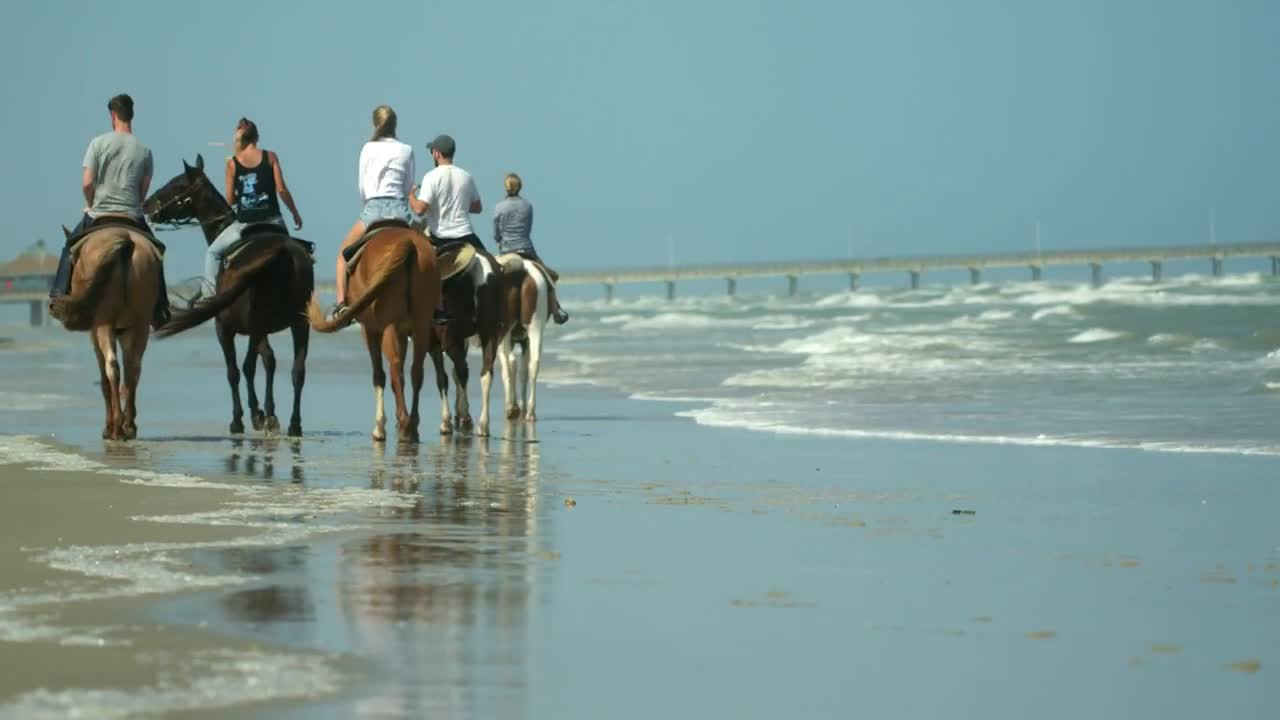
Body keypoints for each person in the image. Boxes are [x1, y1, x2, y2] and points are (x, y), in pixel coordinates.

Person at [51, 93, 169, 328]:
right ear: (131, 116)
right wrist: (136, 204)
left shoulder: (98, 143)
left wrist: (92, 203)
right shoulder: (145, 151)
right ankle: (160, 308)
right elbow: (143, 190)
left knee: (69, 246)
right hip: (132, 214)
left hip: (100, 213)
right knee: (156, 254)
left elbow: (87, 183)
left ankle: (58, 295)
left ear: (112, 116)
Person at [192, 118, 303, 304]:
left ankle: (209, 297)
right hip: (273, 221)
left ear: (240, 139)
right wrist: (294, 213)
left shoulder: (232, 164)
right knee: (293, 255)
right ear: (257, 137)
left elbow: (230, 199)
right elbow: (281, 189)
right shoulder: (271, 157)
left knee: (213, 253)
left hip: (245, 225)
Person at [330, 105, 416, 317]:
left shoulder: (367, 148)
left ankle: (341, 305)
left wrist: (369, 204)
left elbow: (362, 187)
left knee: (342, 255)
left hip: (373, 208)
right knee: (428, 253)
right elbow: (408, 186)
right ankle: (436, 306)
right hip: (400, 211)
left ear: (375, 124)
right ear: (395, 124)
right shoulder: (407, 149)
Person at [492, 173, 569, 324]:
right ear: (520, 187)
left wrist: (500, 239)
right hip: (527, 250)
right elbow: (528, 228)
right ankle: (556, 309)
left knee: (489, 279)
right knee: (549, 276)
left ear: (505, 187)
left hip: (506, 251)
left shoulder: (499, 207)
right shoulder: (528, 206)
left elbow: (496, 234)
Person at [407, 134, 484, 251]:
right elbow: (477, 208)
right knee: (489, 261)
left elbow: (419, 210)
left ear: (437, 153)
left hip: (439, 238)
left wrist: (410, 195)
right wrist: (458, 203)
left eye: (432, 152)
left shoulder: (431, 177)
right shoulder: (466, 176)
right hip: (466, 235)